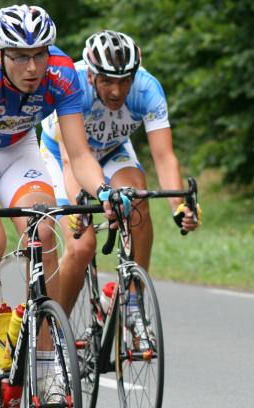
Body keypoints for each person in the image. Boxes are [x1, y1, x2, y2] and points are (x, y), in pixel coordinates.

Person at [0, 4, 110, 408]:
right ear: (0, 55)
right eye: (20, 56)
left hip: (19, 150)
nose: (33, 66)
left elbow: (79, 154)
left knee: (44, 232)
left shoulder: (63, 74)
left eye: (40, 53)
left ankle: (47, 362)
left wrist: (103, 190)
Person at [40, 29, 201, 318]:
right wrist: (76, 208)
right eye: (107, 82)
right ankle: (53, 333)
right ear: (91, 76)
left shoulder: (146, 90)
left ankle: (133, 299)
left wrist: (179, 208)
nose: (116, 91)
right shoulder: (72, 84)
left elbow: (164, 157)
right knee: (81, 246)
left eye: (124, 81)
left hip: (113, 150)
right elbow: (71, 159)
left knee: (137, 196)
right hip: (61, 154)